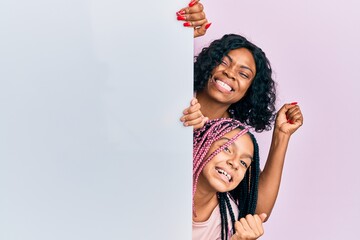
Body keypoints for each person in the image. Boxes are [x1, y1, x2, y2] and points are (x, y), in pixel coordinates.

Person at [177, 2, 304, 221]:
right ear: (209, 64)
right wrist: (178, 36)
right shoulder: (174, 89)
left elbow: (256, 212)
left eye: (244, 74)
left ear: (249, 91)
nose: (231, 74)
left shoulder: (234, 139)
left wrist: (281, 136)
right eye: (224, 62)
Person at [193, 118, 266, 240]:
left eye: (243, 162)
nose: (235, 163)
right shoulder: (165, 184)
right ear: (203, 142)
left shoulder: (226, 217)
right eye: (226, 149)